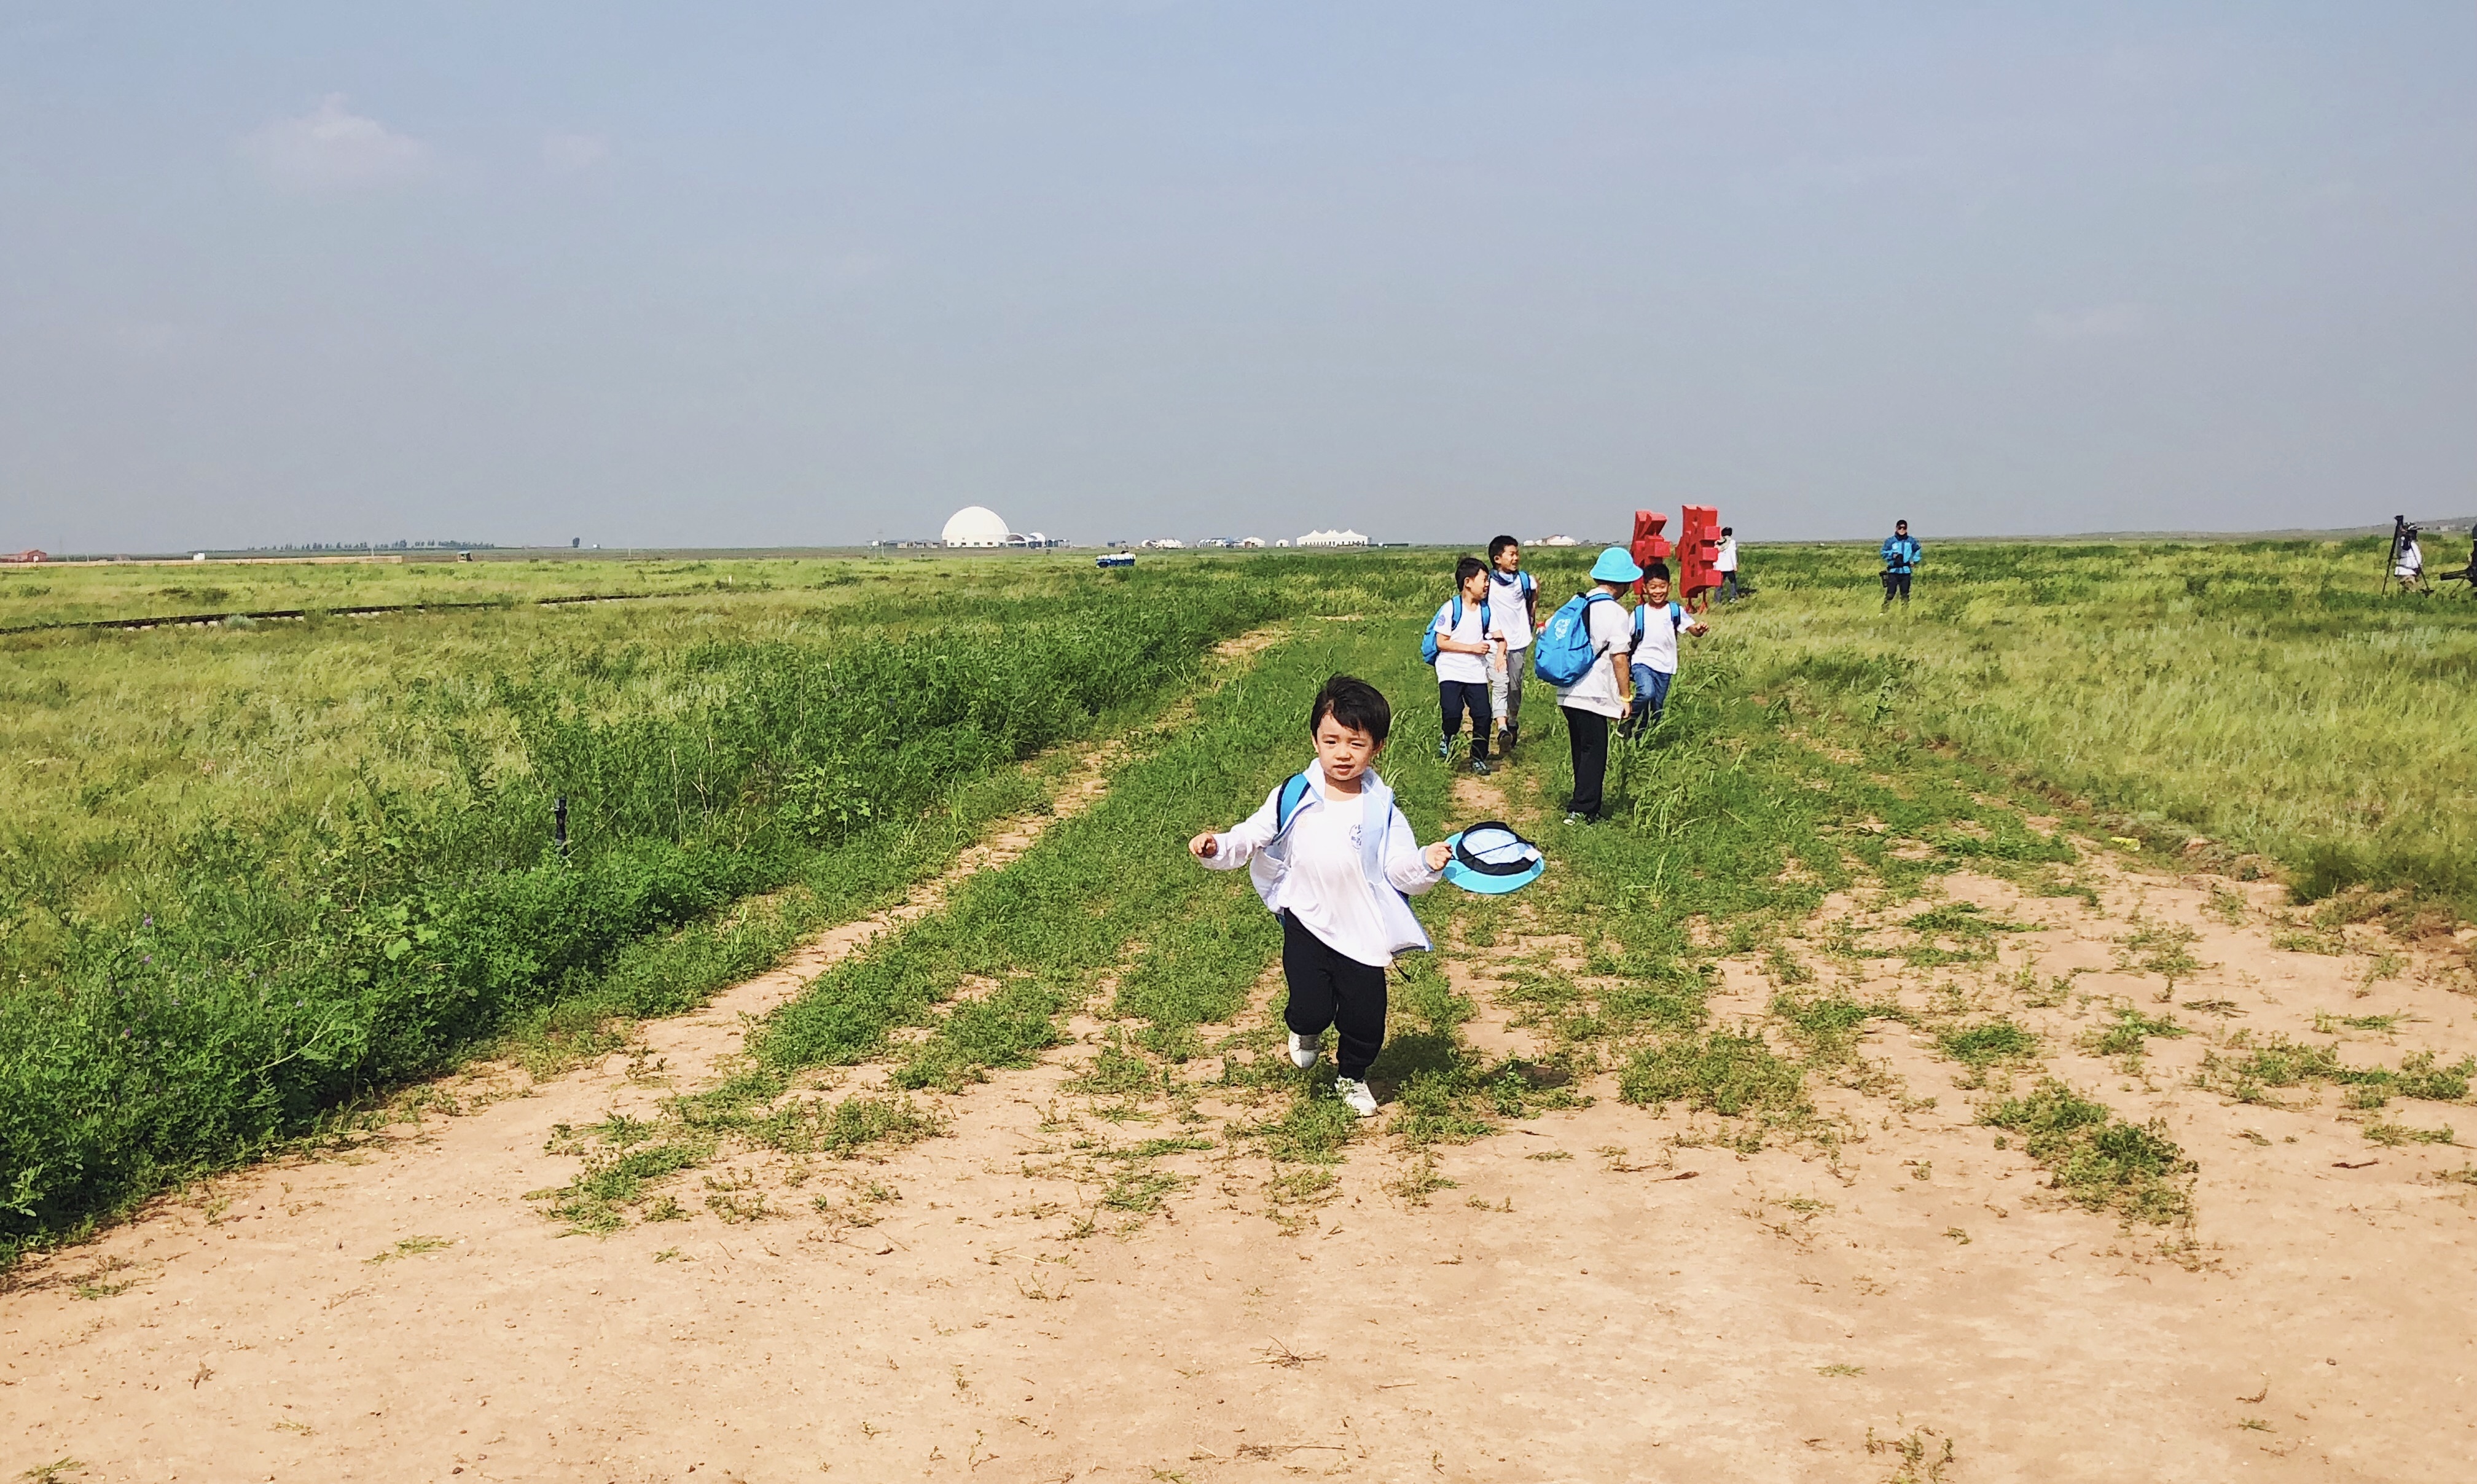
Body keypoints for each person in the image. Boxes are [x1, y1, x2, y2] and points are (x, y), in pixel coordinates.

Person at [1188, 676, 1451, 1117]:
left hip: (1363, 932)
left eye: (1356, 743)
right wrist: (1217, 844)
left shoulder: (1383, 808)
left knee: (1365, 1020)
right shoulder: (1295, 794)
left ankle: (1352, 1075)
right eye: (1331, 741)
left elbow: (1398, 869)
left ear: (1378, 748)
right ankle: (1304, 1030)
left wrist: (1427, 861)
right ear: (1315, 740)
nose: (1342, 753)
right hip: (1307, 920)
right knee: (1310, 1005)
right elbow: (1253, 835)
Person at [1552, 546, 1640, 824]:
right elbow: (1620, 659)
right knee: (1594, 752)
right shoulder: (1616, 614)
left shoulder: (1576, 603)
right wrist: (1626, 697)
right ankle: (1583, 809)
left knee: (1581, 749)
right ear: (1623, 582)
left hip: (1567, 689)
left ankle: (1582, 801)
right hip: (1594, 693)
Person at [1619, 563, 1708, 740]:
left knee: (1656, 711)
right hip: (1642, 662)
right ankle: (1627, 719)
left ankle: (1638, 740)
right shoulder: (1639, 613)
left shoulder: (1675, 611)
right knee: (1646, 693)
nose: (1658, 591)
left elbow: (1692, 629)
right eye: (1653, 587)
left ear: (1669, 587)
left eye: (1662, 586)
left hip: (1666, 667)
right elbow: (1625, 640)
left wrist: (1700, 629)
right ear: (1645, 588)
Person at [1428, 555, 1499, 775]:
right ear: (1468, 582)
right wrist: (1472, 648)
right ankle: (1447, 737)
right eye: (1484, 580)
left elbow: (1498, 635)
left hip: (1476, 672)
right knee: (1452, 713)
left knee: (1483, 716)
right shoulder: (1450, 608)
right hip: (1450, 669)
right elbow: (1441, 642)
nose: (1487, 585)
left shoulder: (1487, 611)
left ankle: (1478, 757)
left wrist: (1501, 652)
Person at [1485, 536, 1539, 753]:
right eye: (1511, 554)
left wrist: (1532, 615)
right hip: (1495, 642)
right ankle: (1502, 728)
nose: (1516, 558)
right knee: (1500, 683)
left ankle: (1513, 720)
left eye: (1517, 554)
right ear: (1498, 559)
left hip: (1518, 641)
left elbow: (1534, 593)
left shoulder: (1525, 580)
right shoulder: (1488, 583)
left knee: (1514, 686)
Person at [1880, 520, 1921, 610]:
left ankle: (1904, 614)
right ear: (1896, 528)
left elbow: (1917, 550)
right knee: (1890, 594)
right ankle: (1883, 612)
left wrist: (1914, 560)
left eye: (1904, 528)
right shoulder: (1891, 541)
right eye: (1900, 527)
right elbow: (1883, 552)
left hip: (1906, 571)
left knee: (1905, 594)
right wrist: (1893, 555)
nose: (1902, 529)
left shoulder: (1911, 541)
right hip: (1894, 571)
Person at [2394, 526, 2428, 593]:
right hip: (2406, 571)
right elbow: (2405, 547)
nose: (2415, 534)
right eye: (2413, 533)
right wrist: (2405, 537)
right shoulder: (2404, 541)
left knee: (2410, 590)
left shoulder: (2413, 544)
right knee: (2412, 589)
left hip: (2412, 571)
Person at [1715, 527, 1741, 602]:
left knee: (1719, 584)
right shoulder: (1732, 542)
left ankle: (1717, 600)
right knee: (1733, 582)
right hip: (1729, 566)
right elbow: (1733, 554)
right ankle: (1733, 597)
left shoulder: (1717, 543)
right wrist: (1735, 565)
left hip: (1719, 567)